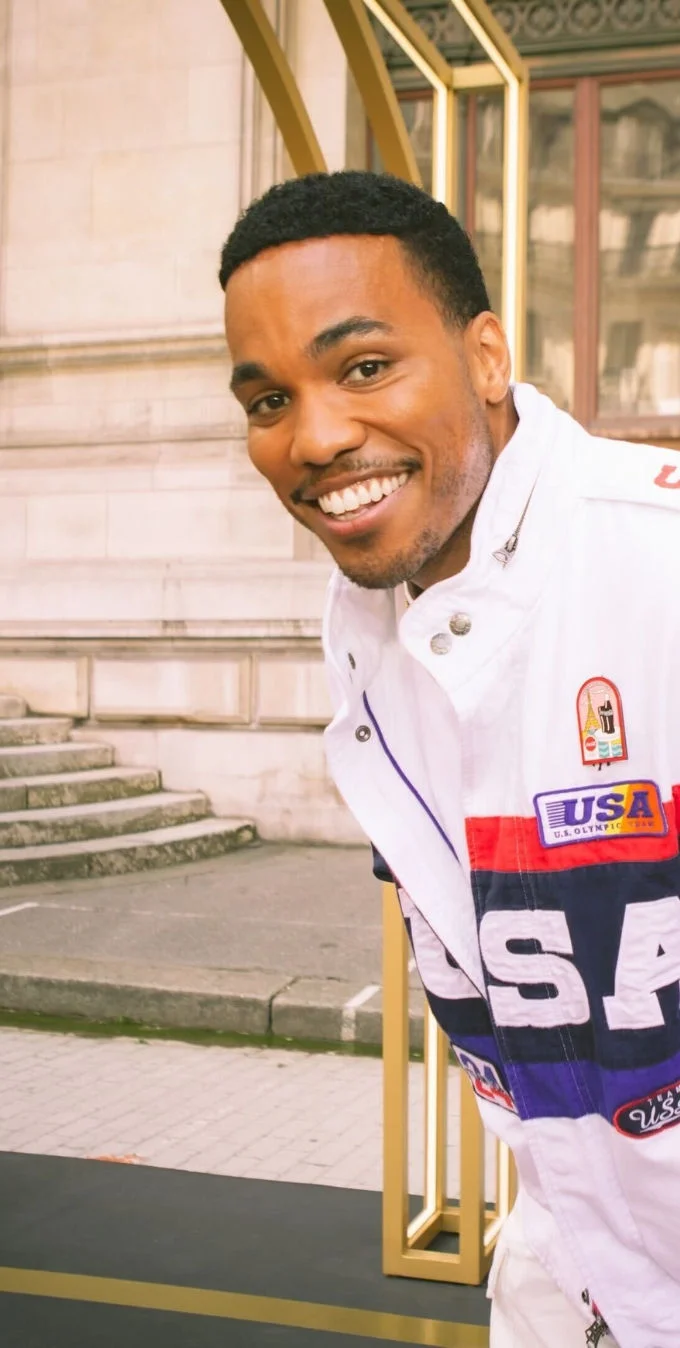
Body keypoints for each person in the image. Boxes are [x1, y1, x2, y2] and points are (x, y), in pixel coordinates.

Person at [219, 170, 680, 1347]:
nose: (314, 437)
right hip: (563, 1283)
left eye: (363, 366)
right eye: (268, 398)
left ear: (485, 356)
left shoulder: (657, 564)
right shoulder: (370, 619)